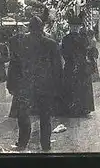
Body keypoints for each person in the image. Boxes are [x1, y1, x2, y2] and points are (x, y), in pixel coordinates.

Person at [6, 16, 63, 152]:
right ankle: (45, 145)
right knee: (45, 117)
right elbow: (57, 68)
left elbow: (13, 66)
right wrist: (58, 87)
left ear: (29, 28)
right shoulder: (51, 44)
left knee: (23, 115)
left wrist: (11, 85)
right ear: (42, 28)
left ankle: (22, 143)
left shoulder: (20, 42)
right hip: (45, 86)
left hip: (25, 85)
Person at [61, 18, 95, 117]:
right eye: (73, 26)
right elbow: (87, 51)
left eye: (75, 26)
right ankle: (83, 108)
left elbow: (64, 53)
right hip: (81, 67)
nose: (74, 28)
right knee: (82, 89)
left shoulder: (66, 38)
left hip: (70, 66)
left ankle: (71, 109)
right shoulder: (83, 38)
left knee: (71, 88)